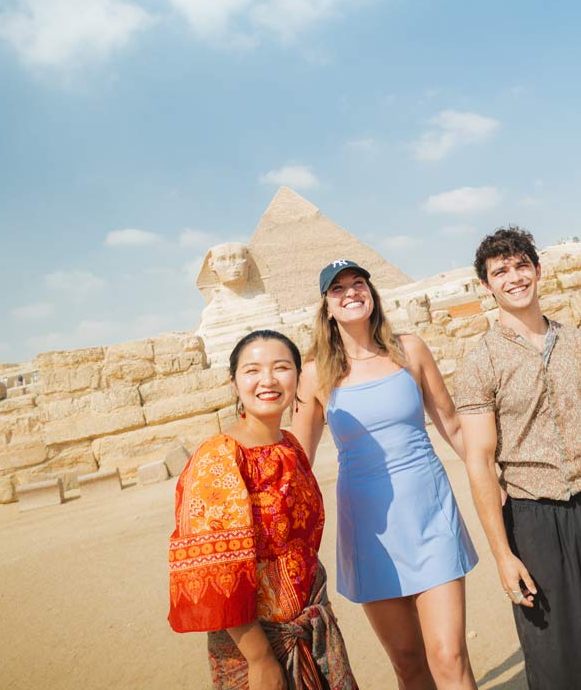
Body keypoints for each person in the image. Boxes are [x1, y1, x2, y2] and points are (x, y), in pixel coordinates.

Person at [454, 226, 581, 690]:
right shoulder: (480, 362)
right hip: (535, 521)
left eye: (521, 265)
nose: (514, 277)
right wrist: (503, 555)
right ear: (486, 287)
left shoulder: (580, 343)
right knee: (554, 663)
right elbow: (480, 463)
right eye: (500, 272)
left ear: (538, 270)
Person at [291, 260, 479, 690]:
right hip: (369, 533)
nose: (350, 292)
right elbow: (298, 460)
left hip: (430, 517)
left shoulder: (409, 350)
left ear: (372, 294)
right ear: (326, 306)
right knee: (409, 664)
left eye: (358, 283)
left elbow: (450, 424)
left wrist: (495, 481)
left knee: (449, 656)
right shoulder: (316, 374)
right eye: (338, 289)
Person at [168, 329, 356, 690]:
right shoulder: (219, 458)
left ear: (298, 379)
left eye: (281, 367)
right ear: (234, 382)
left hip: (310, 632)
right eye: (252, 370)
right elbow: (216, 573)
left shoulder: (291, 447)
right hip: (253, 647)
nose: (268, 380)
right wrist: (259, 658)